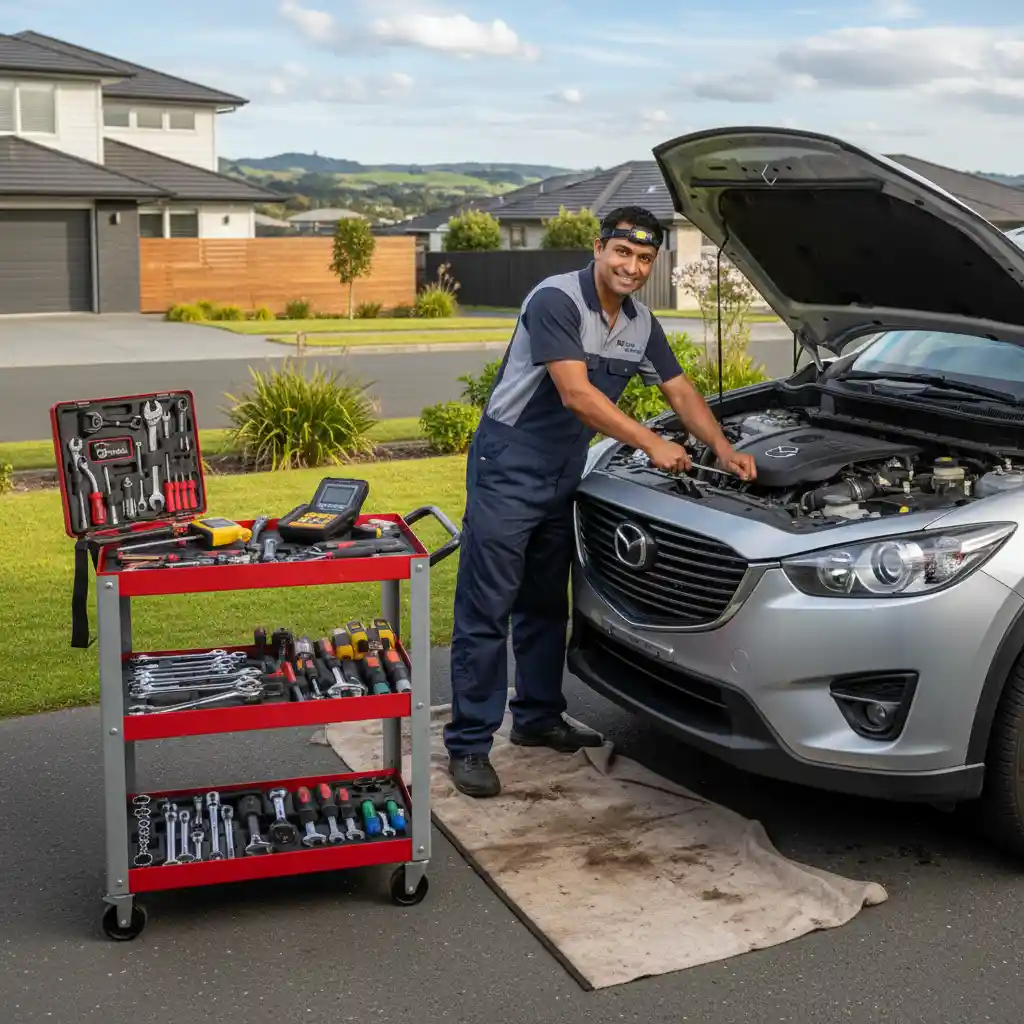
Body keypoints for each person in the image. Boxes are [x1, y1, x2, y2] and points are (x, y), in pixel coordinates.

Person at [444, 205, 757, 798]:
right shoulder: (556, 300)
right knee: (487, 607)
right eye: (623, 253)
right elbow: (576, 395)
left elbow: (680, 387)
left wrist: (720, 447)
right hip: (508, 462)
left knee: (545, 602)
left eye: (644, 258)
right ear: (598, 247)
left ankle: (536, 719)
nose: (632, 267)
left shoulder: (640, 323)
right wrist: (652, 442)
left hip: (565, 467)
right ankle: (469, 744)